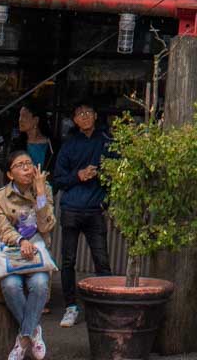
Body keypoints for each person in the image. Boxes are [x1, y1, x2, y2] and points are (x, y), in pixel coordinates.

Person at [52, 102, 112, 327]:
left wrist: (100, 174)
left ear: (95, 115)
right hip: (71, 208)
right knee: (68, 260)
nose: (85, 116)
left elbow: (118, 170)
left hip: (95, 208)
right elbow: (58, 179)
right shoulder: (69, 145)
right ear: (75, 120)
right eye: (80, 114)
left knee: (102, 260)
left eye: (88, 112)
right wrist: (78, 175)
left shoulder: (106, 140)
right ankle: (71, 306)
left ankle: (105, 306)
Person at [0, 149, 56, 360]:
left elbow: (46, 226)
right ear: (9, 174)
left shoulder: (44, 189)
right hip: (13, 253)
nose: (27, 169)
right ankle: (33, 331)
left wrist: (40, 193)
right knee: (10, 285)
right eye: (20, 165)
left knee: (40, 284)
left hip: (38, 254)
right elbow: (3, 229)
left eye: (29, 163)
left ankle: (23, 339)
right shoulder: (0, 196)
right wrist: (21, 240)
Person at [13, 103, 55, 170]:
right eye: (20, 116)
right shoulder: (17, 145)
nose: (20, 120)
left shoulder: (52, 145)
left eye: (24, 116)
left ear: (36, 120)